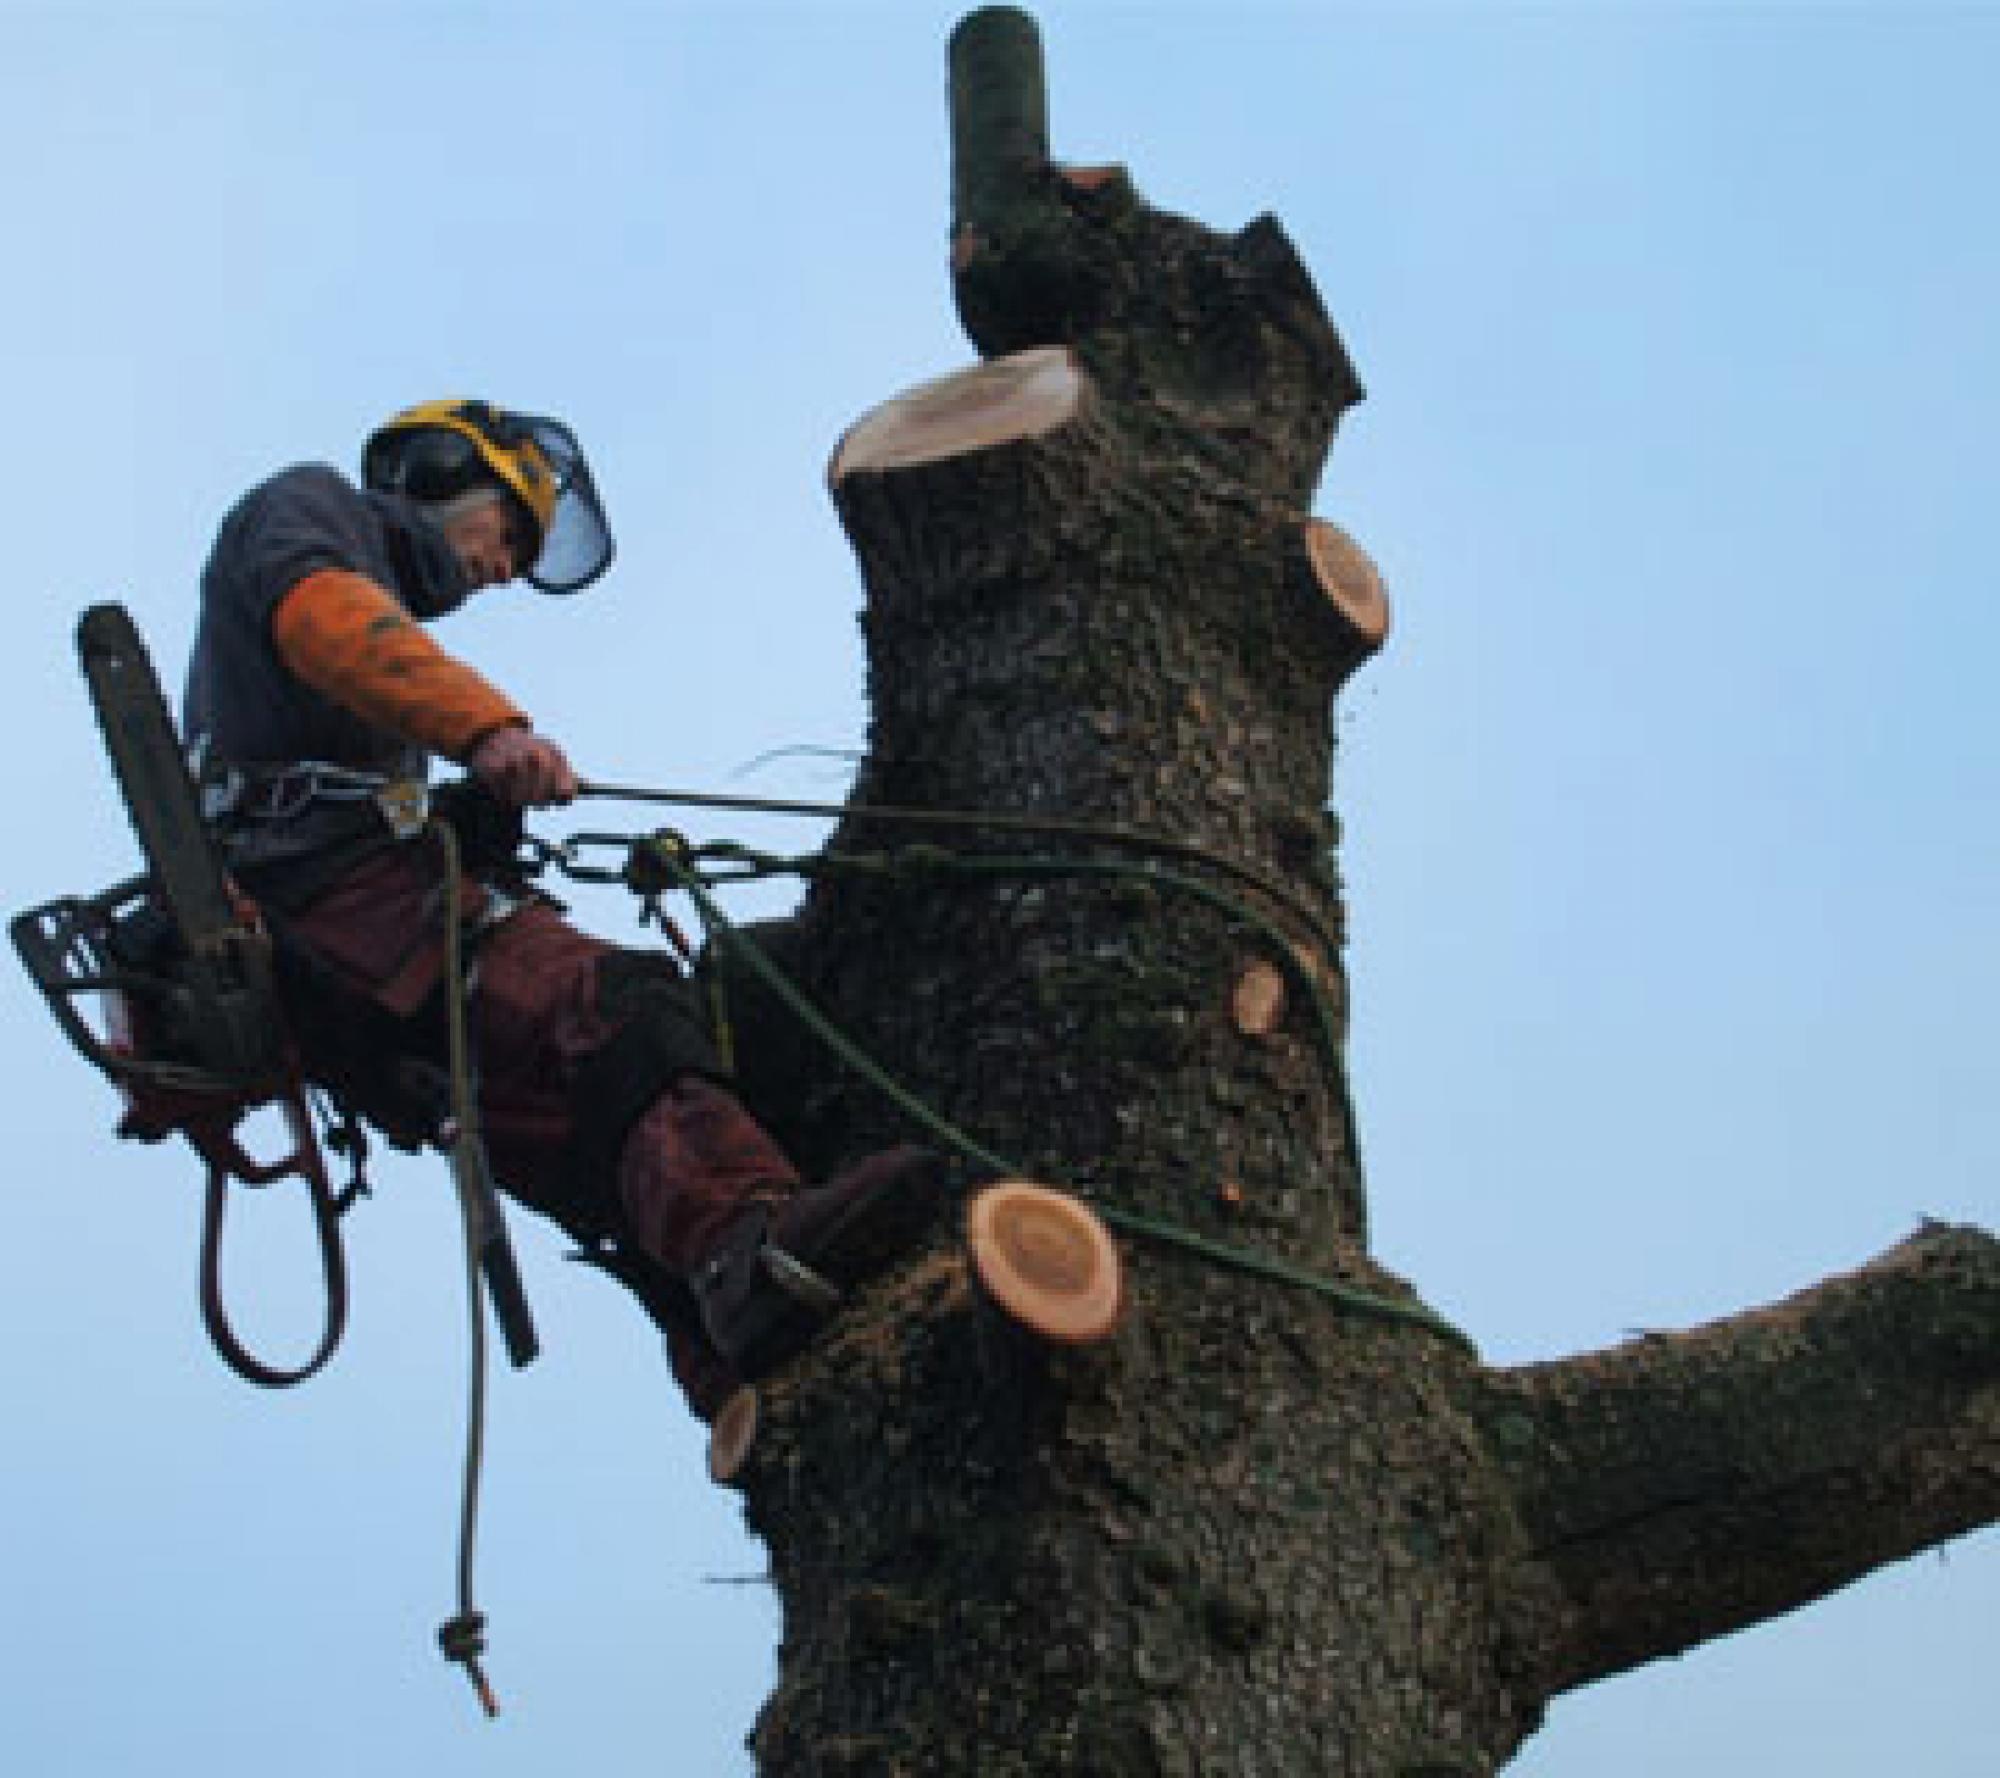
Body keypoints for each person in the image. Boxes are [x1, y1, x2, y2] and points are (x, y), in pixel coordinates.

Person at [182, 398, 941, 1418]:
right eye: (507, 530)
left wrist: (470, 811)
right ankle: (745, 1248)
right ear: (447, 470)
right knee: (612, 1006)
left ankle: (729, 1355)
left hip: (343, 973)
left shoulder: (358, 702)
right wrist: (486, 732)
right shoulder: (312, 511)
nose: (504, 568)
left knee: (578, 1130)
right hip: (345, 906)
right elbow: (326, 622)